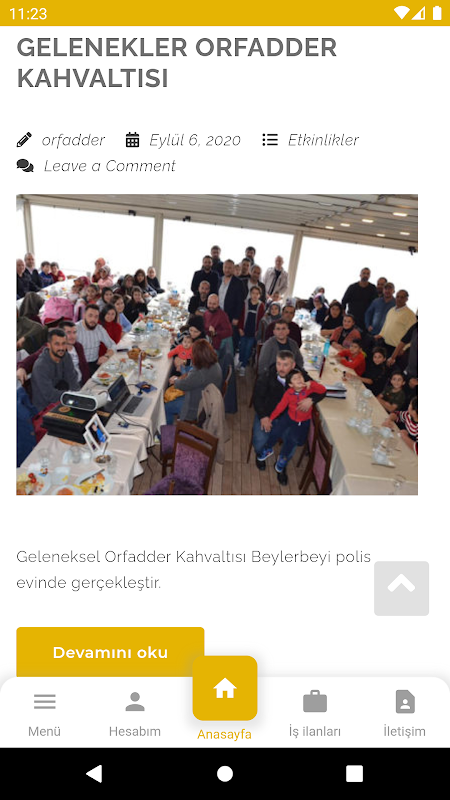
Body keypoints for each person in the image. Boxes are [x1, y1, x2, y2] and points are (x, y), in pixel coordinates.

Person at [258, 368, 327, 475]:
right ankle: (268, 448)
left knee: (292, 440)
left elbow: (322, 390)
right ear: (290, 385)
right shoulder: (288, 393)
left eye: (300, 377)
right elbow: (280, 407)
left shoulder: (308, 389)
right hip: (288, 417)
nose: (299, 379)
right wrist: (271, 418)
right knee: (276, 431)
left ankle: (283, 457)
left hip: (301, 421)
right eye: (295, 378)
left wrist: (312, 384)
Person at [252, 351, 304, 484]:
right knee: (259, 442)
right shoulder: (266, 376)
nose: (281, 368)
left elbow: (317, 389)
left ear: (293, 365)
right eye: (278, 364)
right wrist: (263, 416)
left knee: (292, 441)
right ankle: (260, 455)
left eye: (285, 365)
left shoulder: (300, 377)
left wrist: (311, 399)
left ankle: (282, 464)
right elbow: (257, 398)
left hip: (287, 419)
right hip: (267, 414)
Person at [17, 320, 91, 388]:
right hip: (65, 387)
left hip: (81, 383)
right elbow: (34, 357)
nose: (72, 336)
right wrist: (22, 367)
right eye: (68, 333)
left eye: (74, 332)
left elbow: (84, 367)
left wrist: (87, 384)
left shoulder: (78, 346)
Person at [165, 339, 223, 424]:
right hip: (207, 399)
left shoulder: (200, 371)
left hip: (198, 407)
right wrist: (184, 371)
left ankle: (168, 430)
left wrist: (175, 380)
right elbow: (193, 379)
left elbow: (185, 385)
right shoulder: (213, 363)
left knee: (166, 407)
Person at [30, 328, 80, 411]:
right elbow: (50, 395)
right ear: (49, 345)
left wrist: (78, 396)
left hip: (61, 400)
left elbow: (72, 379)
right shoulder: (41, 366)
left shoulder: (66, 356)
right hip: (45, 408)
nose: (61, 348)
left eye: (63, 343)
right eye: (57, 344)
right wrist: (72, 396)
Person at [76, 303, 117, 375]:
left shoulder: (99, 329)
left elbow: (112, 345)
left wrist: (106, 356)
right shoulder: (75, 329)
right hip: (79, 365)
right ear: (84, 315)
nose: (93, 319)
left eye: (96, 317)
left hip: (95, 364)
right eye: (90, 315)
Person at [374, 290, 417, 356]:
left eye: (402, 297)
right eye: (397, 297)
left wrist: (404, 348)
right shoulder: (391, 310)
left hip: (397, 349)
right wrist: (381, 334)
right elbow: (385, 325)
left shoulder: (410, 314)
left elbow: (413, 334)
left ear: (406, 299)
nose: (399, 299)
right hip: (385, 345)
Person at [237, 285, 265, 375]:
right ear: (250, 293)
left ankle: (243, 366)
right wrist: (240, 328)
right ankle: (240, 361)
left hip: (253, 333)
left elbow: (261, 320)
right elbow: (241, 316)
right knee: (242, 347)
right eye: (253, 293)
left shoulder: (261, 305)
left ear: (259, 295)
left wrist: (258, 331)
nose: (255, 295)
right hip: (244, 330)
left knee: (248, 349)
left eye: (257, 294)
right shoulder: (245, 303)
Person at [218, 259, 245, 335]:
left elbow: (240, 302)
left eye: (229, 268)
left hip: (231, 316)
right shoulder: (219, 280)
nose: (227, 270)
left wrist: (236, 317)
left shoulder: (238, 283)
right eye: (225, 267)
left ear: (233, 269)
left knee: (229, 337)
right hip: (218, 313)